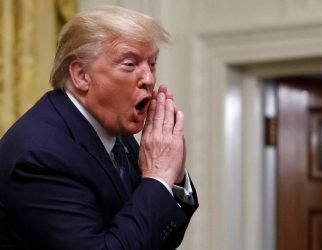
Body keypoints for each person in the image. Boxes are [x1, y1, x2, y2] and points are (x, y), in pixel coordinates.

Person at [0, 5, 198, 250]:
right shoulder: (41, 155)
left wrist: (173, 176)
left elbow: (152, 238)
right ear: (81, 75)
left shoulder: (116, 133)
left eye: (152, 63)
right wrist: (158, 178)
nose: (148, 78)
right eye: (130, 64)